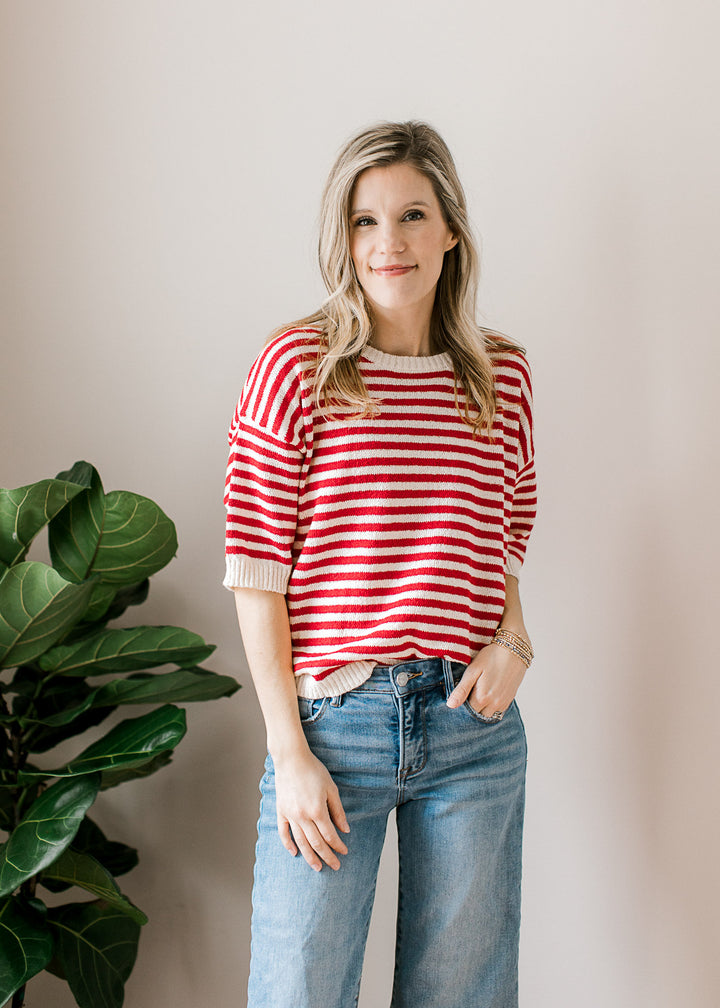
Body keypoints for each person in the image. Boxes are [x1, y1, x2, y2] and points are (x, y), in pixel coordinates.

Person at [223, 120, 537, 1008]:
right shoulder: (301, 367)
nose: (388, 243)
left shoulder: (500, 376)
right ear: (343, 237)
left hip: (474, 729)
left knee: (462, 997)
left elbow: (501, 542)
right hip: (334, 727)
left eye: (411, 215)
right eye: (364, 221)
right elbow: (255, 569)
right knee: (298, 992)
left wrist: (516, 640)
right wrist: (288, 749)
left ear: (450, 232)